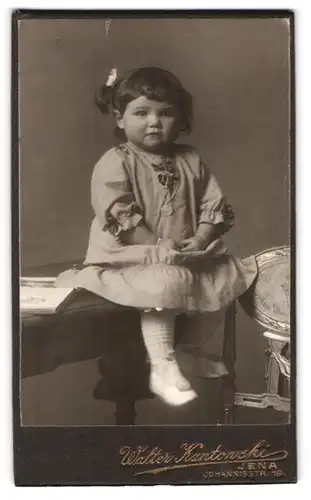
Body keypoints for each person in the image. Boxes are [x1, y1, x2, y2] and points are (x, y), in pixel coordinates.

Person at [60, 67, 258, 406]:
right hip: (131, 256)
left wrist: (200, 238)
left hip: (185, 253)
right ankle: (163, 364)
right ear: (120, 119)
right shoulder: (115, 161)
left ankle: (187, 348)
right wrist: (157, 245)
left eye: (165, 113)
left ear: (181, 120)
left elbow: (213, 204)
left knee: (227, 277)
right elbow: (119, 213)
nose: (154, 121)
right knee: (165, 284)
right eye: (142, 113)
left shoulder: (190, 158)